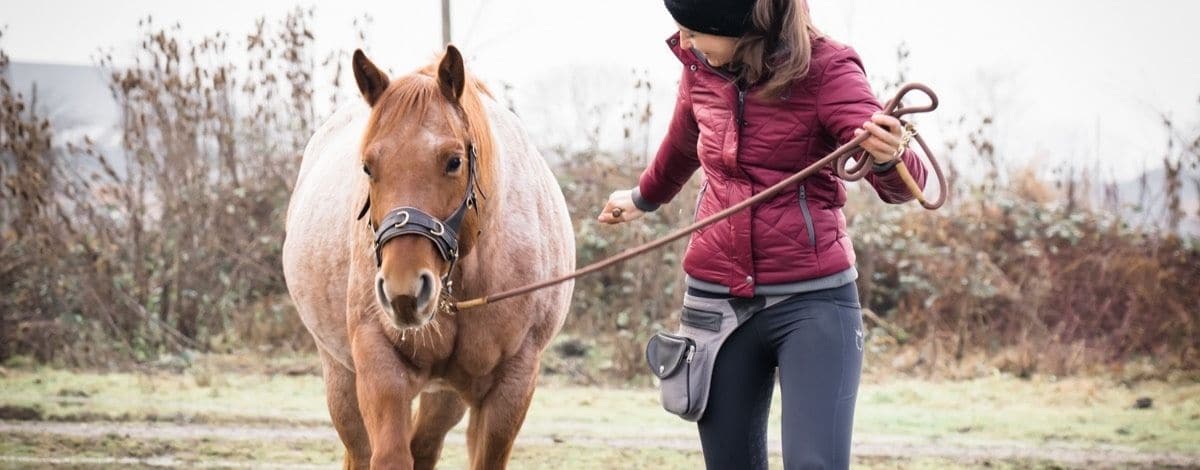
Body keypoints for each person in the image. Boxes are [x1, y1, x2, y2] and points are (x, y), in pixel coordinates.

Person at [597, 0, 929, 468]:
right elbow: (681, 142)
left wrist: (889, 155)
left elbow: (902, 186)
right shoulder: (700, 69)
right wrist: (641, 198)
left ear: (739, 28)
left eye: (694, 32)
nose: (684, 43)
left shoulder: (830, 69)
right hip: (716, 300)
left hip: (813, 302)